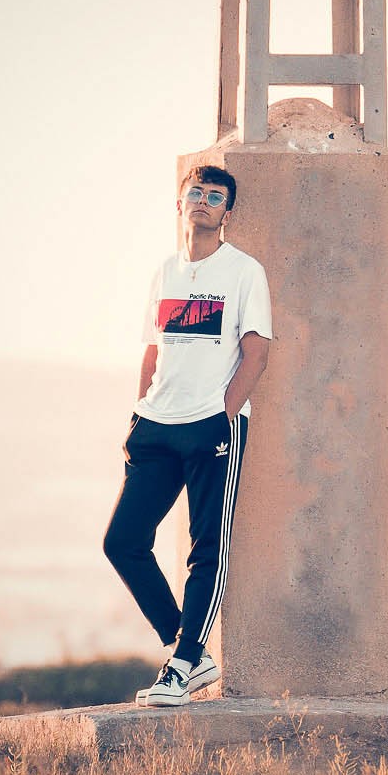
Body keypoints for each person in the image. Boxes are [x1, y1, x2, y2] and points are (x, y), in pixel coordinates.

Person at [102, 164, 272, 707]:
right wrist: (138, 412)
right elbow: (153, 348)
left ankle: (181, 663)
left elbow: (257, 350)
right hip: (156, 426)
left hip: (210, 426)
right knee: (123, 542)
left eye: (215, 196)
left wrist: (223, 413)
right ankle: (188, 651)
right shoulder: (165, 273)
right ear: (180, 203)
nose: (203, 201)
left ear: (227, 212)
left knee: (207, 547)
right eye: (194, 192)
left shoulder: (244, 272)